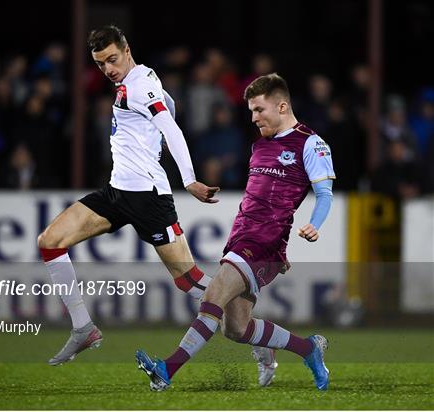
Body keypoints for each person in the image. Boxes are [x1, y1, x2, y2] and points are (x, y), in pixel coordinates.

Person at [136, 73, 335, 391]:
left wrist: (314, 224)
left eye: (259, 110)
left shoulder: (310, 143)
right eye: (251, 111)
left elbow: (324, 194)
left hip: (263, 243)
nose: (254, 118)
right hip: (242, 239)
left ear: (282, 106)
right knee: (236, 329)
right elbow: (258, 198)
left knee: (212, 296)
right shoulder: (259, 146)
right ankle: (308, 348)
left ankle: (166, 370)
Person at [37, 25, 219, 366]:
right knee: (50, 241)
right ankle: (83, 328)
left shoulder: (139, 86)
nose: (108, 69)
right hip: (118, 192)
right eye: (100, 63)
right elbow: (170, 105)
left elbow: (172, 128)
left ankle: (257, 332)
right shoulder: (140, 80)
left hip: (148, 198)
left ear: (127, 49)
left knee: (190, 282)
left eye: (112, 59)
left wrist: (190, 180)